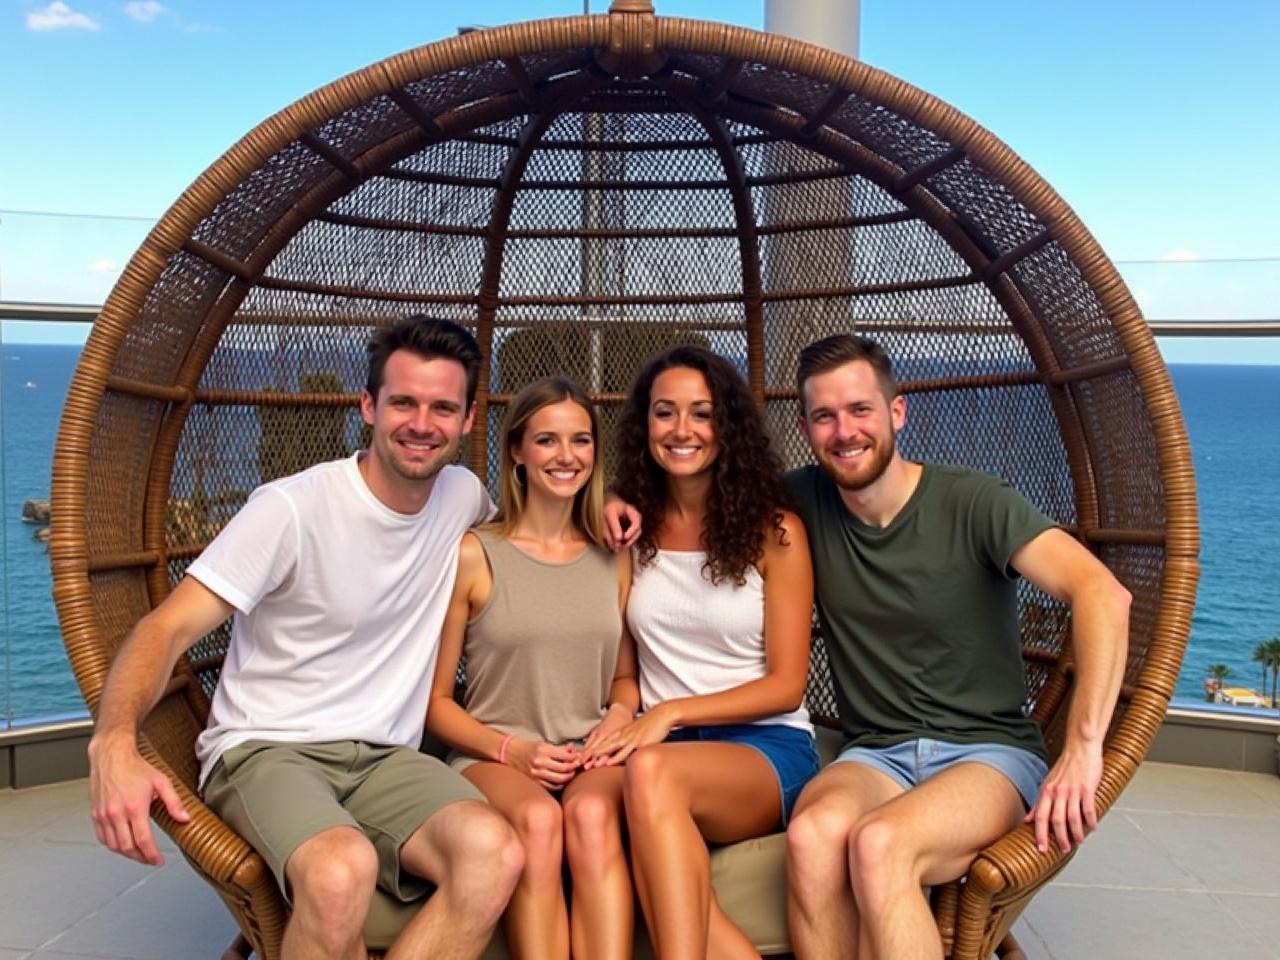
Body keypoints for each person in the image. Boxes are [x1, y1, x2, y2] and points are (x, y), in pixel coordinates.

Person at [87, 315, 524, 960]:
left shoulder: (462, 495)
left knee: (496, 852)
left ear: (466, 421)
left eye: (442, 407)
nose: (421, 424)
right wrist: (113, 741)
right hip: (268, 748)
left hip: (384, 756)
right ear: (369, 406)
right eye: (403, 401)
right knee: (338, 870)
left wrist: (609, 516)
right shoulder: (290, 509)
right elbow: (166, 627)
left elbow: (535, 536)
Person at [779, 335, 1131, 960]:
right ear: (806, 426)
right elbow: (696, 500)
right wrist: (619, 501)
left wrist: (1082, 749)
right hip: (875, 754)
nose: (844, 431)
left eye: (860, 409)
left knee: (880, 843)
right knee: (810, 836)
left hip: (987, 754)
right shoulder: (802, 499)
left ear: (897, 412)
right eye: (824, 416)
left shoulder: (974, 502)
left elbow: (1101, 594)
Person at [590, 345, 818, 960]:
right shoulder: (628, 530)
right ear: (645, 427)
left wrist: (669, 714)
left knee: (650, 775)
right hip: (658, 752)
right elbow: (626, 667)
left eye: (701, 413)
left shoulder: (776, 531)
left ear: (728, 427)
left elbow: (788, 685)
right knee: (591, 808)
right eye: (665, 413)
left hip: (763, 746)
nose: (682, 430)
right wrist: (624, 710)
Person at [426, 376, 638, 960]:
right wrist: (511, 752)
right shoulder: (475, 554)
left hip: (589, 750)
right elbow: (438, 702)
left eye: (580, 441)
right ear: (517, 450)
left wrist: (619, 717)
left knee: (592, 815)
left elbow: (624, 678)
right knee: (540, 824)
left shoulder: (614, 556)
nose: (566, 457)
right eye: (547, 441)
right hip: (496, 753)